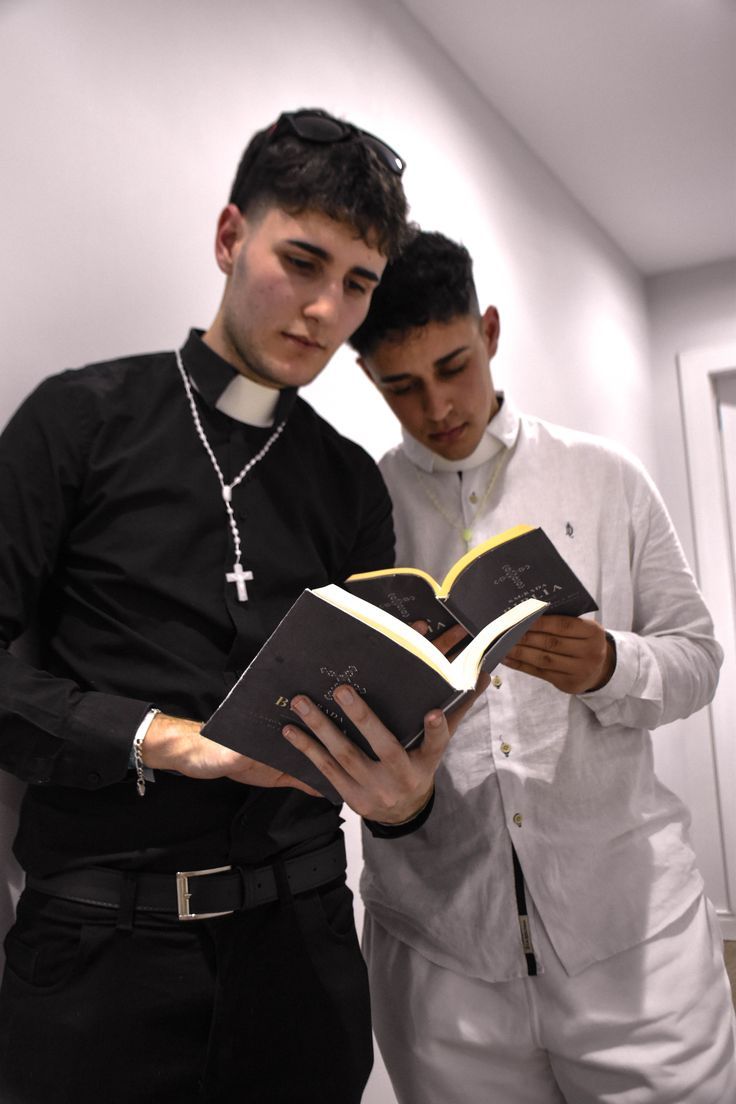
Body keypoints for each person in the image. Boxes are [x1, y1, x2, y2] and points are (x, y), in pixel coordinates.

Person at [0, 113, 472, 1104]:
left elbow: (364, 718)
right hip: (97, 952)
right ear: (229, 237)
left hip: (300, 946)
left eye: (356, 284)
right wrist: (169, 740)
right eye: (302, 262)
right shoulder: (78, 418)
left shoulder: (348, 483)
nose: (324, 310)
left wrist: (403, 800)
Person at [349, 229, 736, 1104]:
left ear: (488, 330)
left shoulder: (608, 478)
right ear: (366, 375)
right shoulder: (359, 510)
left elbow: (699, 658)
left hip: (629, 935)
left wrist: (610, 663)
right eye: (400, 386)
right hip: (440, 952)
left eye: (453, 366)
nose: (438, 405)